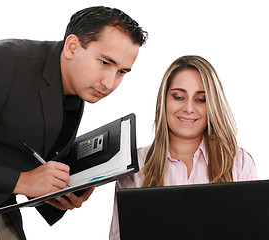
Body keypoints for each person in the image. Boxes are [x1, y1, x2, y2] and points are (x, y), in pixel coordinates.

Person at [0, 6, 147, 240]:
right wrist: (23, 181)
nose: (109, 83)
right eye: (104, 63)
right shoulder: (0, 62)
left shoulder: (75, 87)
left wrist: (56, 193)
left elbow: (19, 150)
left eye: (121, 72)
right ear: (72, 47)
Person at [109, 55, 257, 239]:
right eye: (179, 97)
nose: (188, 108)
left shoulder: (238, 163)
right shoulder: (136, 165)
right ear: (164, 101)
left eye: (201, 99)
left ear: (212, 105)